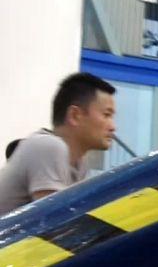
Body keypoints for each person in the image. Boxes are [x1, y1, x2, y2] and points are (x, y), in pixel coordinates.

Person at [0, 72, 116, 215]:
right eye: (106, 115)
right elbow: (54, 220)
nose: (113, 127)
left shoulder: (79, 165)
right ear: (75, 115)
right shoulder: (48, 146)